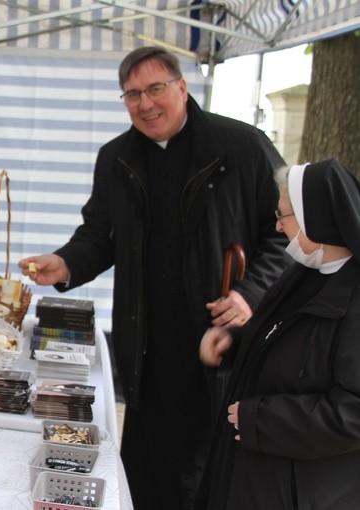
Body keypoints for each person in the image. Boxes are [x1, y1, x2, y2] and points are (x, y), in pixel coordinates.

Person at [18, 46, 290, 509]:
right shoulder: (116, 159)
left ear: (183, 88)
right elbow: (99, 237)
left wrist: (251, 295)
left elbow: (285, 234)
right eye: (132, 94)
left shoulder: (242, 147)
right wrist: (65, 263)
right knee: (147, 472)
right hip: (146, 344)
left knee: (211, 474)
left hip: (220, 342)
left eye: (156, 89)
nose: (145, 104)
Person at [197, 158, 360, 509]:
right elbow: (280, 338)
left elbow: (353, 415)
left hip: (298, 489)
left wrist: (264, 421)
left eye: (283, 215)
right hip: (252, 471)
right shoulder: (303, 273)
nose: (278, 225)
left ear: (317, 218)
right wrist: (235, 343)